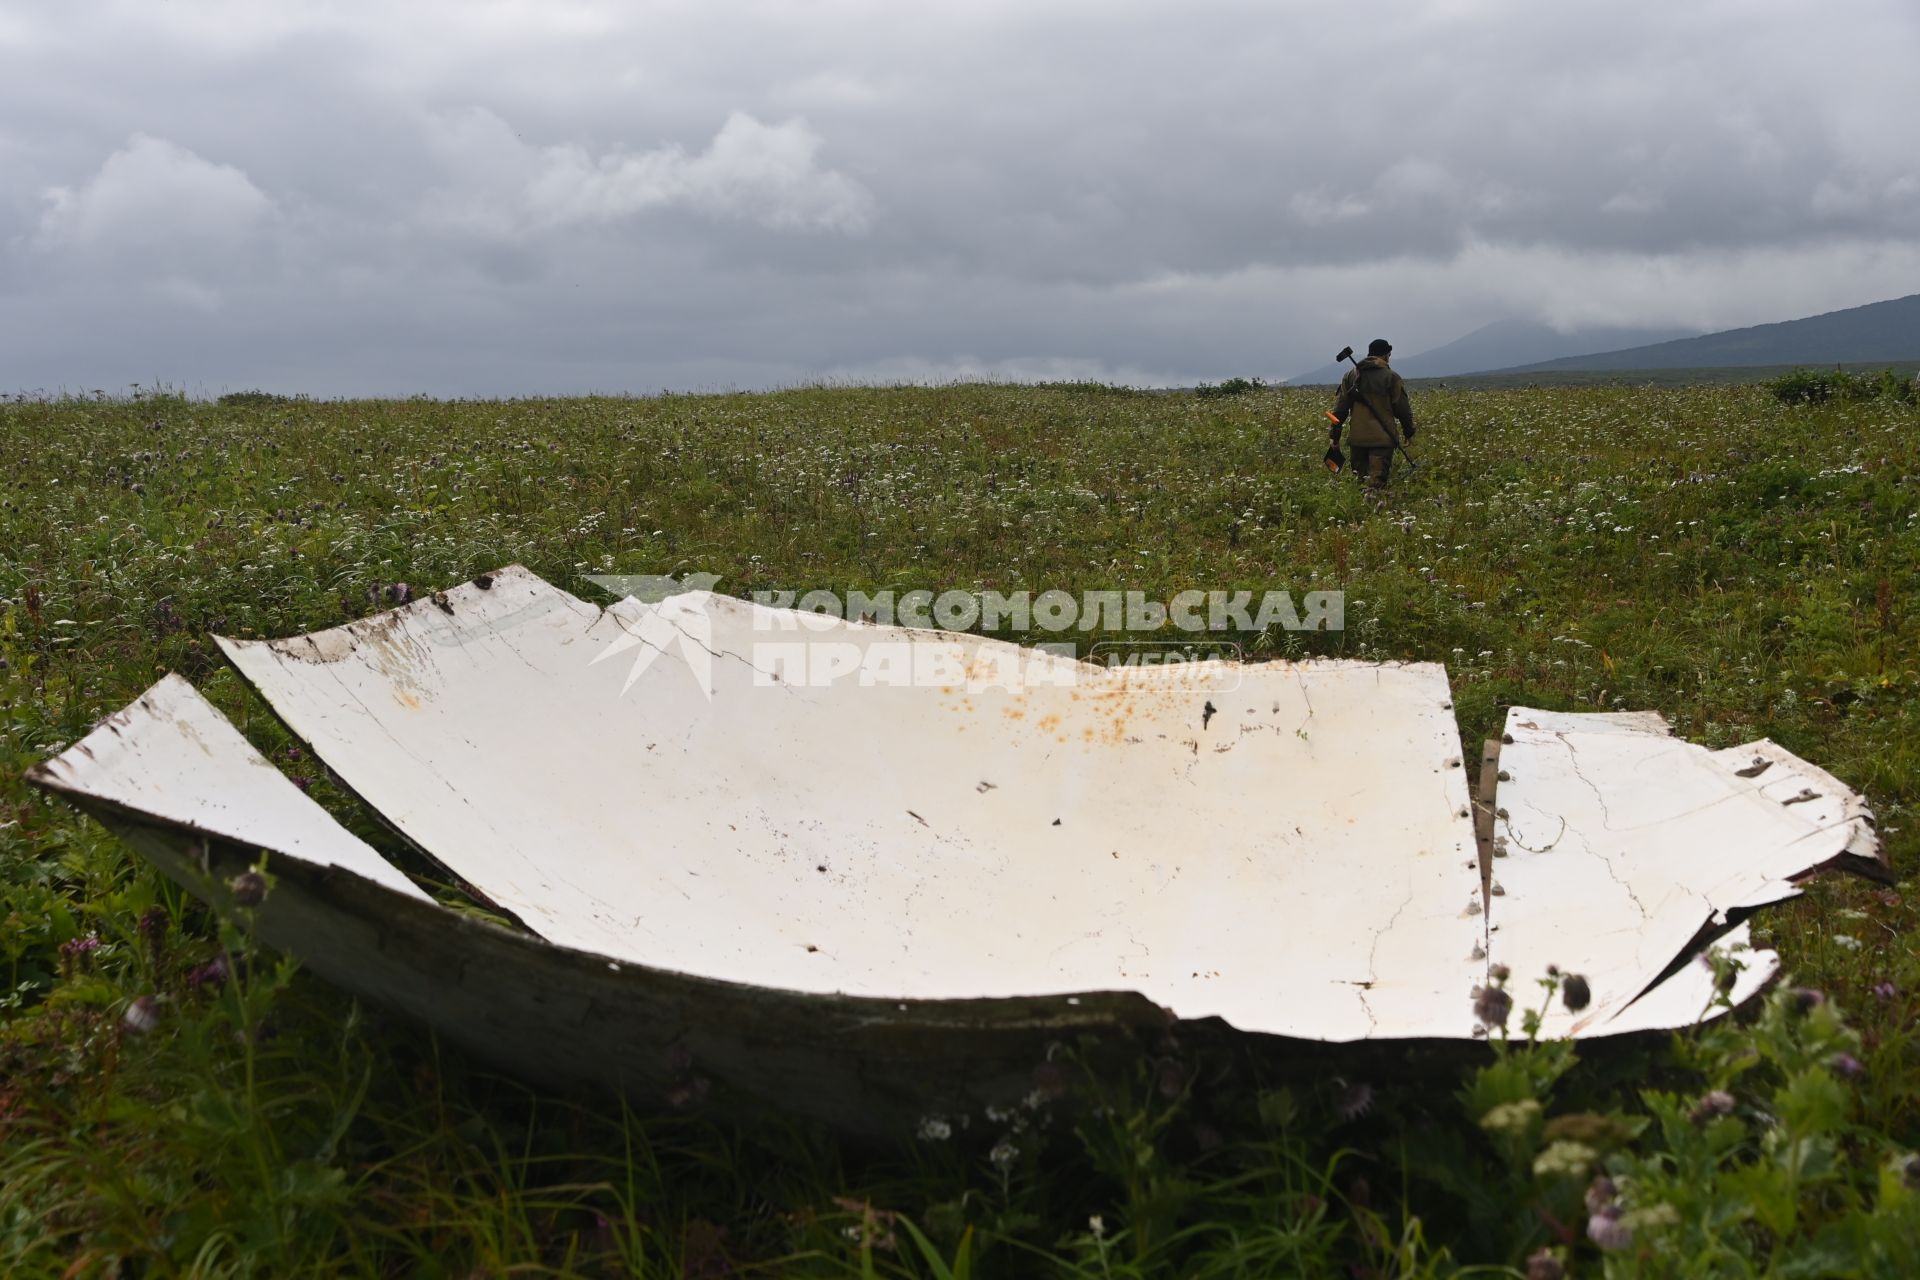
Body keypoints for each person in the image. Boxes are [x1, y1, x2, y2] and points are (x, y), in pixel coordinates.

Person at [1328, 339, 1416, 495]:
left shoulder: (1350, 375)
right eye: (1389, 354)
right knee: (1376, 488)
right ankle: (1374, 516)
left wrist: (1334, 437)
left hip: (1357, 440)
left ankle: (1359, 517)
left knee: (1361, 485)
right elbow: (1403, 410)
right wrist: (1409, 432)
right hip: (1383, 440)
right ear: (1386, 355)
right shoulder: (1391, 377)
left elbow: (1339, 410)